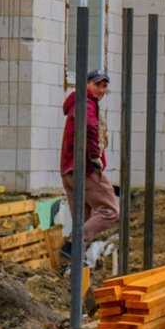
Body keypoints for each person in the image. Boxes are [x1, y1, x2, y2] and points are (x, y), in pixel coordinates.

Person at [60, 68, 119, 263]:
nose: (101, 90)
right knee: (110, 211)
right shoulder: (86, 104)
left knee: (83, 220)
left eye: (104, 86)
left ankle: (75, 266)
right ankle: (73, 244)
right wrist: (95, 157)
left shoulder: (78, 103)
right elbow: (90, 127)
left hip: (69, 171)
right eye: (97, 85)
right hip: (84, 170)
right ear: (86, 84)